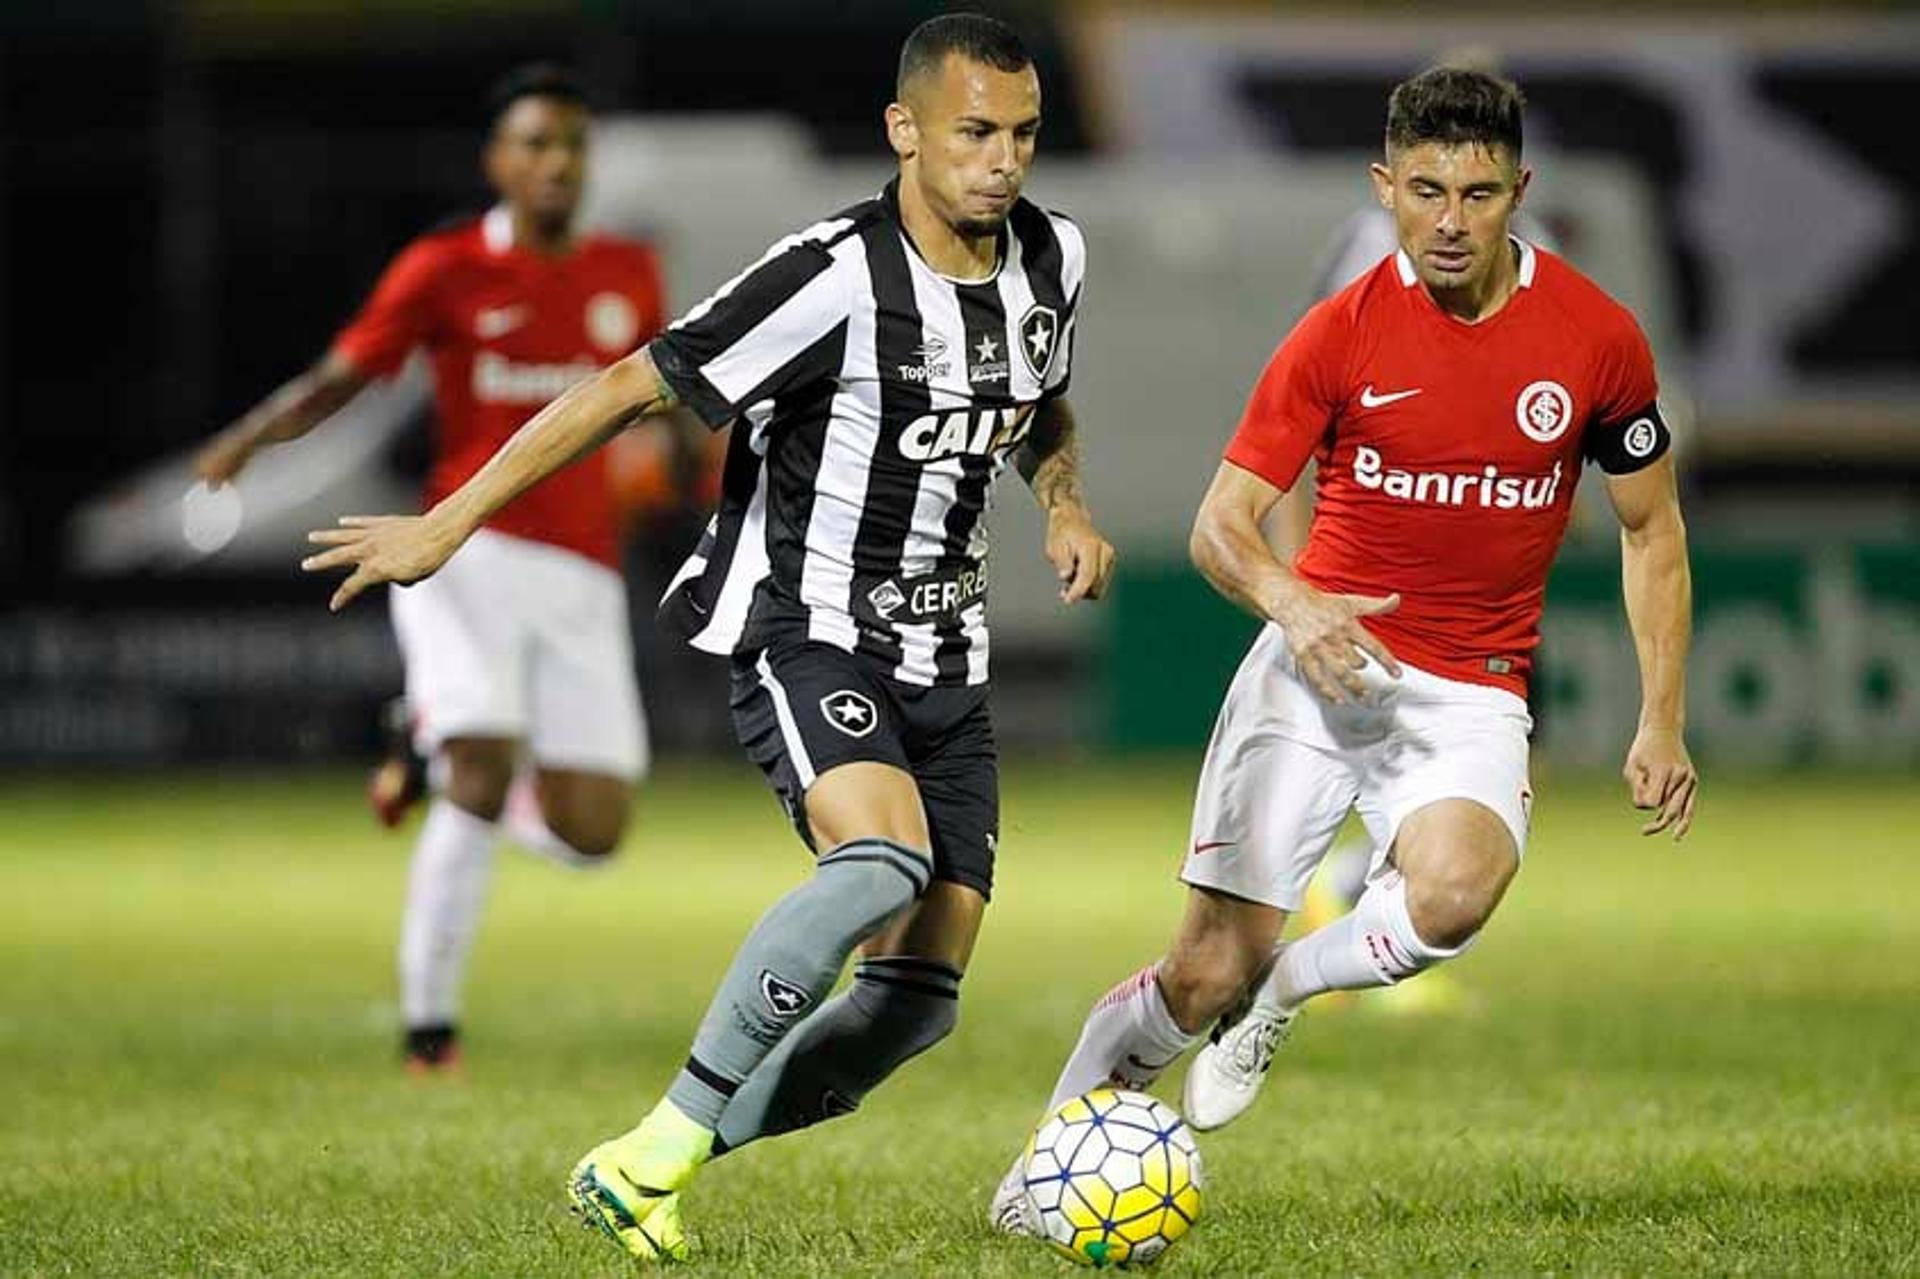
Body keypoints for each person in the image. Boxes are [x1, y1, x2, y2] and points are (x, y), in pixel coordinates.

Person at [300, 13, 1112, 1262]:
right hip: (810, 631)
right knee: (879, 863)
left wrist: (1063, 501)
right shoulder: (831, 273)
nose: (1003, 161)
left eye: (1023, 135)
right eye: (974, 133)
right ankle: (665, 1136)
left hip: (950, 665)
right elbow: (625, 387)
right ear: (905, 131)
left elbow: (1040, 400)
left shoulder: (1053, 255)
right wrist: (446, 526)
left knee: (911, 1011)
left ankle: (654, 1156)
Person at [994, 65, 1698, 1230]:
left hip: (1471, 680)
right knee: (1196, 973)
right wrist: (1293, 602)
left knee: (1457, 897)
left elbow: (1652, 529)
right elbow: (1220, 525)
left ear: (1519, 189)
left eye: (1476, 194)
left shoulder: (1596, 339)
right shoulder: (1338, 333)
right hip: (1317, 671)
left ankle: (1284, 990)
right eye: (1425, 191)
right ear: (1385, 187)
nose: (1450, 222)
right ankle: (1043, 1170)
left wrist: (1661, 717)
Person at [195, 64, 670, 1073]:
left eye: (573, 145)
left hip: (584, 566)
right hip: (466, 545)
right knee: (485, 763)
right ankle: (429, 1028)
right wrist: (246, 438)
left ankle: (425, 744)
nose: (556, 163)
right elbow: (344, 375)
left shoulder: (628, 273)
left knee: (596, 831)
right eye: (536, 143)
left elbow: (662, 406)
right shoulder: (445, 267)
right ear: (497, 160)